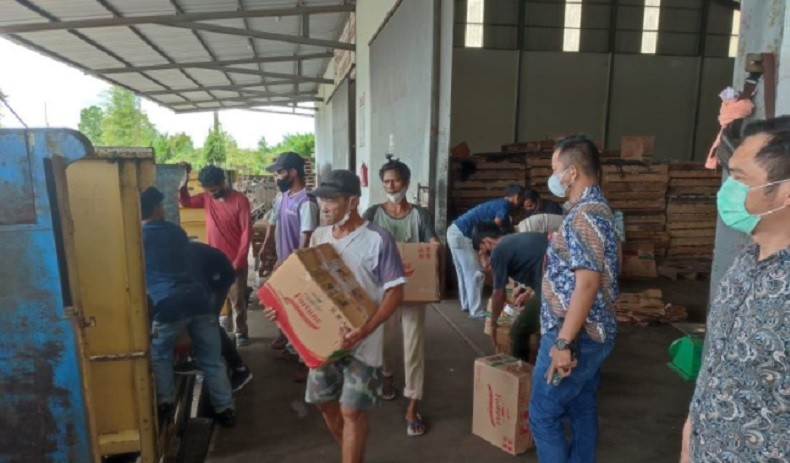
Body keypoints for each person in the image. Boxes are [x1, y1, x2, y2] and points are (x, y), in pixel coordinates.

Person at [264, 170, 406, 463]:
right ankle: (352, 454)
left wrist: (366, 329)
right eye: (322, 200)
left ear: (353, 202)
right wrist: (281, 308)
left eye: (332, 200)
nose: (324, 206)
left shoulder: (377, 239)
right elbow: (305, 283)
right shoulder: (319, 235)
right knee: (325, 405)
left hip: (364, 342)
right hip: (325, 341)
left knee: (352, 411)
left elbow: (395, 293)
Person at [680, 117, 790, 463]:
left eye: (740, 179)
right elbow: (716, 369)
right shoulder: (748, 257)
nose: (727, 189)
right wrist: (689, 441)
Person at [529, 135, 620, 462]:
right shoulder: (593, 210)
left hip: (577, 336)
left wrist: (563, 343)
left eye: (555, 169)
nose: (552, 177)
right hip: (589, 334)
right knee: (581, 405)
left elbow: (587, 283)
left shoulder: (586, 215)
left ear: (572, 173)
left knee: (543, 414)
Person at [140, 187, 236, 427]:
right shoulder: (175, 232)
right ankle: (225, 410)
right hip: (198, 300)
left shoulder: (137, 238)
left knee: (159, 354)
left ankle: (166, 402)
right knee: (212, 360)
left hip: (168, 305)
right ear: (156, 208)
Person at [363, 155, 439, 437]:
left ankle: (412, 406)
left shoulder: (420, 214)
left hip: (413, 290)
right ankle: (387, 376)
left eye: (395, 180)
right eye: (386, 182)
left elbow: (431, 241)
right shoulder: (373, 213)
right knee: (384, 341)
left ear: (406, 181)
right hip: (383, 291)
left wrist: (434, 248)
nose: (391, 185)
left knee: (414, 348)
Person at [179, 165, 252, 347]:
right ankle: (222, 330)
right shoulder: (206, 198)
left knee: (237, 301)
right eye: (208, 190)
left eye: (215, 189)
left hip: (235, 262)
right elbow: (185, 202)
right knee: (216, 299)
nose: (212, 193)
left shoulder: (240, 201)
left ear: (223, 182)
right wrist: (184, 179)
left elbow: (246, 232)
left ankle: (241, 331)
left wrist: (240, 260)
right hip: (213, 263)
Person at [259, 152, 319, 355]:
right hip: (283, 260)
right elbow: (273, 221)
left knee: (300, 309)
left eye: (280, 172)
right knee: (281, 302)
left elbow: (307, 236)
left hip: (299, 266)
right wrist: (266, 245)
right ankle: (285, 336)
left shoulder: (307, 202)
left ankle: (302, 355)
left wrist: (293, 265)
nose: (276, 177)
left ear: (293, 172)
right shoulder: (283, 197)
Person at [472, 222, 548, 362]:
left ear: (486, 242)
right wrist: (530, 292)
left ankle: (521, 373)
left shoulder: (498, 252)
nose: (483, 252)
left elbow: (499, 293)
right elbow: (537, 263)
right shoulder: (516, 239)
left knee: (517, 331)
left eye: (481, 249)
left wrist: (494, 323)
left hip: (550, 290)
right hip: (559, 283)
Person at [446, 184, 525, 318]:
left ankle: (466, 305)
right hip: (463, 235)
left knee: (464, 272)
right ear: (517, 197)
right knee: (476, 274)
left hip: (453, 231)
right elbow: (495, 226)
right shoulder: (504, 205)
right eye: (521, 199)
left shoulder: (496, 204)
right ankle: (476, 312)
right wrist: (487, 251)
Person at [187, 241, 253, 393]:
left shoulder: (160, 252)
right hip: (210, 273)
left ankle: (240, 369)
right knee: (203, 321)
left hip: (219, 275)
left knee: (208, 322)